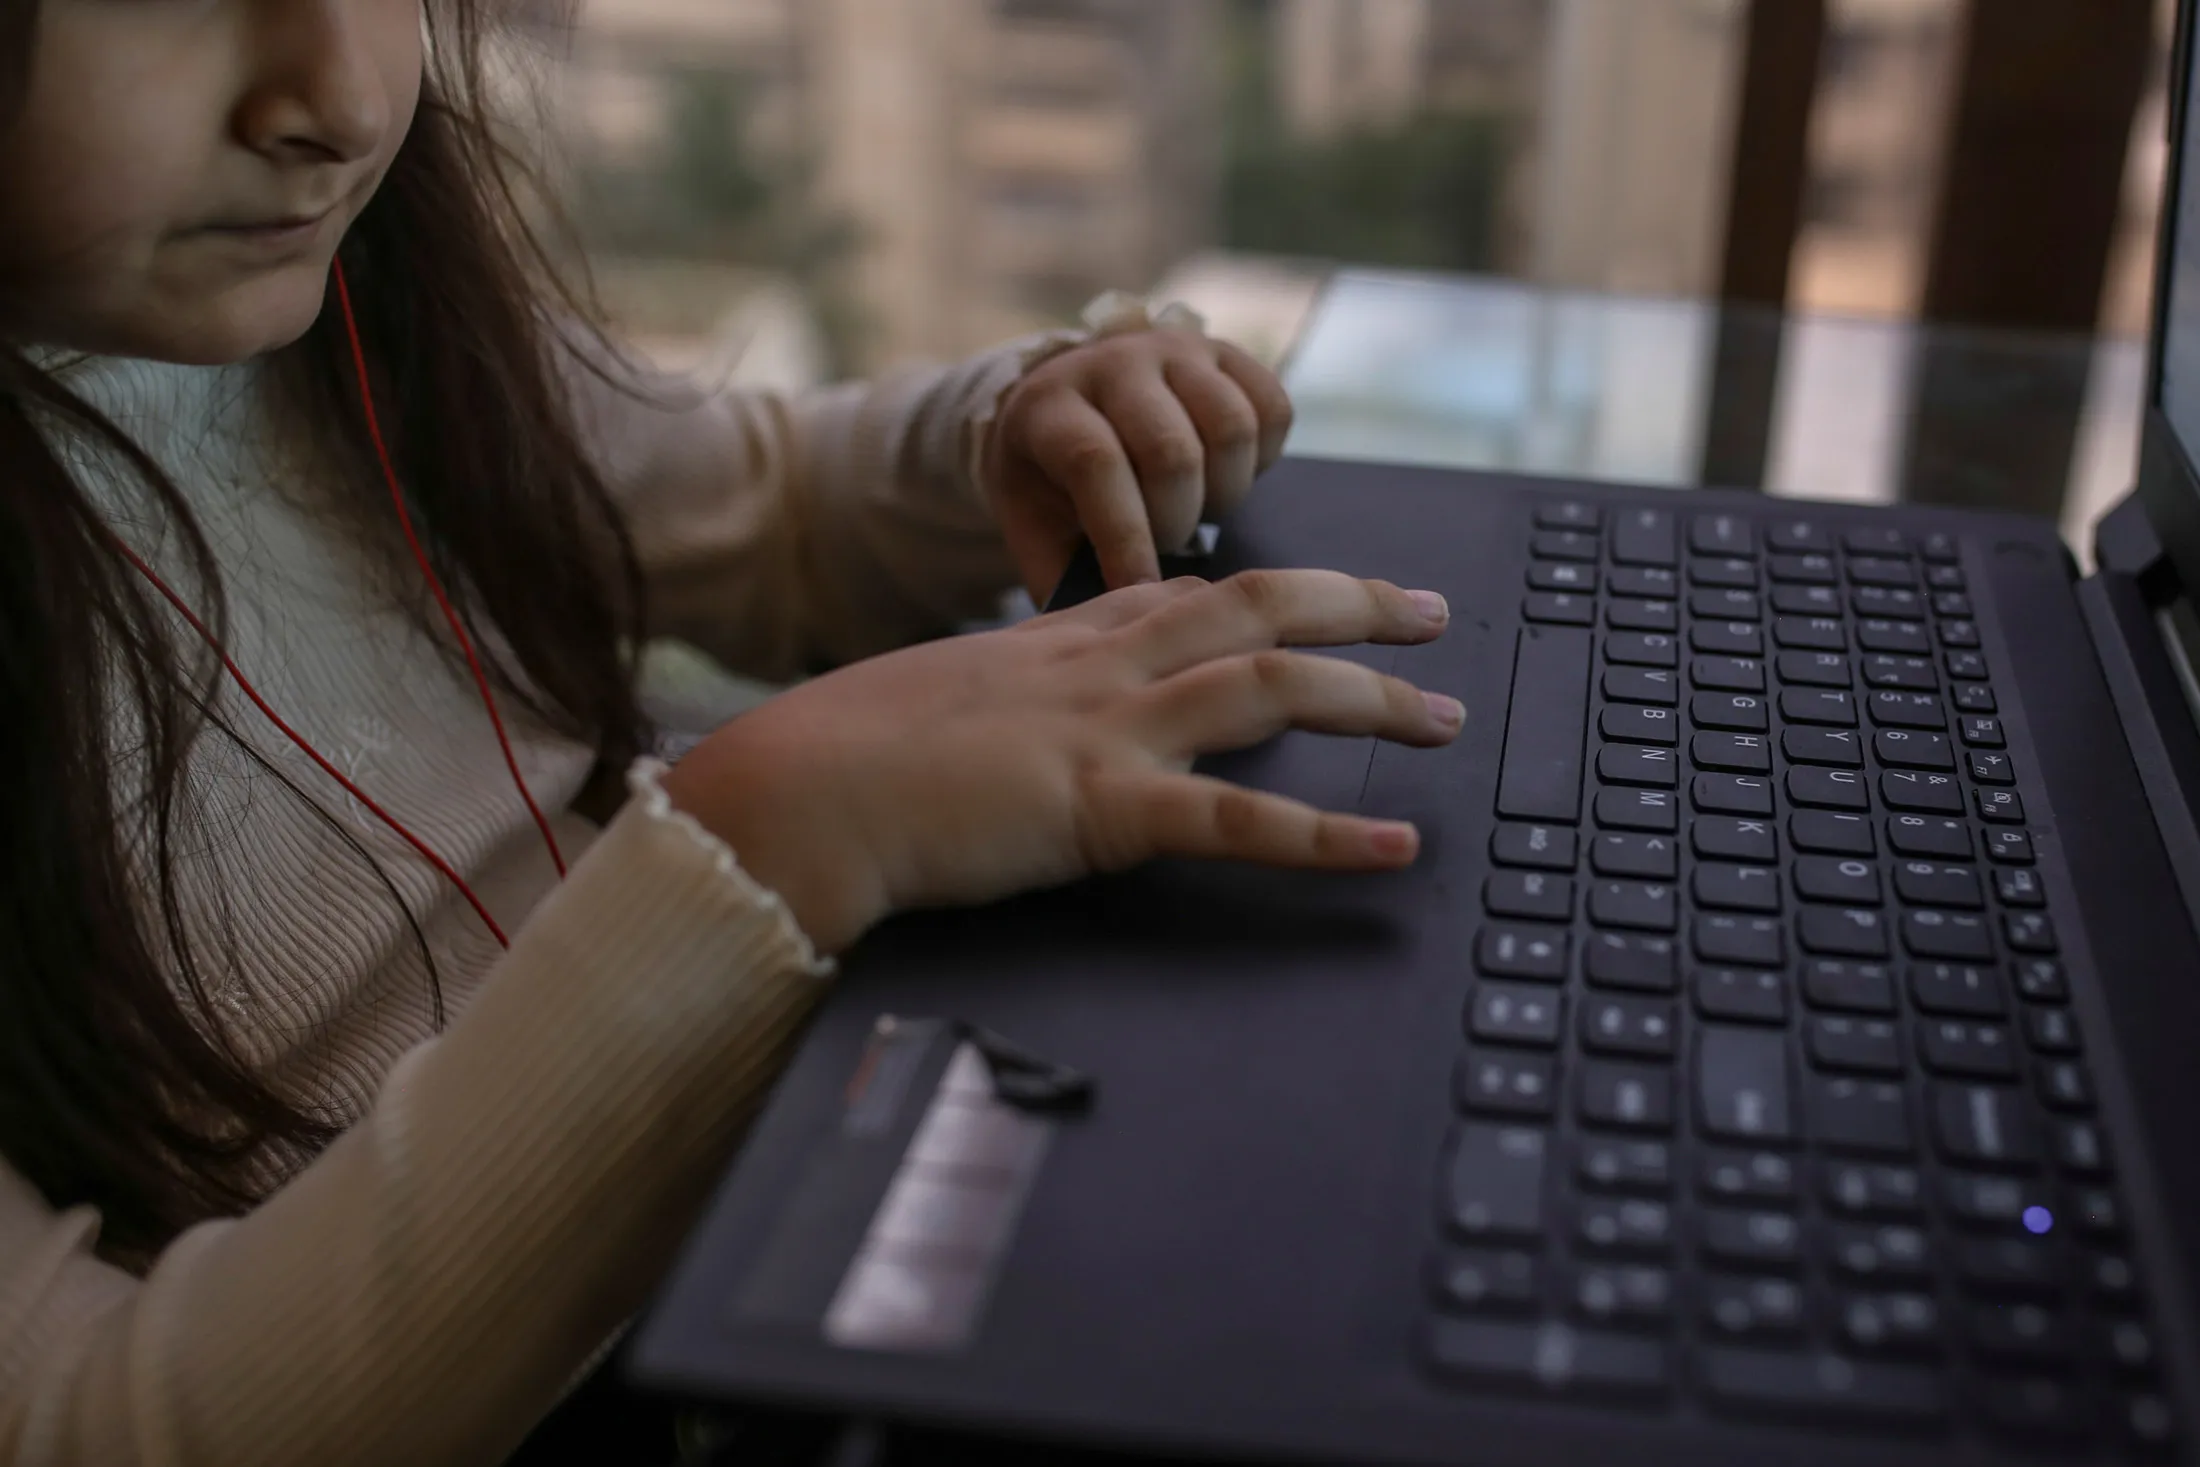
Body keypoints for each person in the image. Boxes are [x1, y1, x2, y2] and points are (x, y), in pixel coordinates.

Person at [0, 2, 1465, 1464]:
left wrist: (1016, 428)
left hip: (821, 1150)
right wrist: (758, 840)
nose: (338, 94)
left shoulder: (332, 296)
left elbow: (755, 503)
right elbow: (103, 1418)